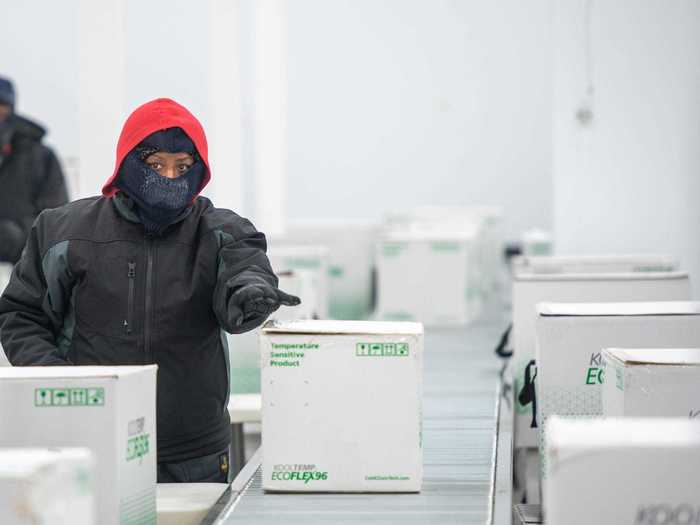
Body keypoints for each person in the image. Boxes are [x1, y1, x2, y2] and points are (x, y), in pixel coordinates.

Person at [0, 98, 300, 483]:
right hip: (89, 443)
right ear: (127, 162)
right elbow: (21, 316)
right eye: (155, 165)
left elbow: (245, 270)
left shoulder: (221, 231)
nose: (169, 178)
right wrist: (60, 382)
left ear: (200, 170)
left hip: (194, 456)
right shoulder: (63, 231)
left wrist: (250, 295)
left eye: (182, 167)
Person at [0, 76, 68, 264]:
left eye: (2, 106)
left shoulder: (42, 158)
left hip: (24, 273)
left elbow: (58, 219)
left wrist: (14, 236)